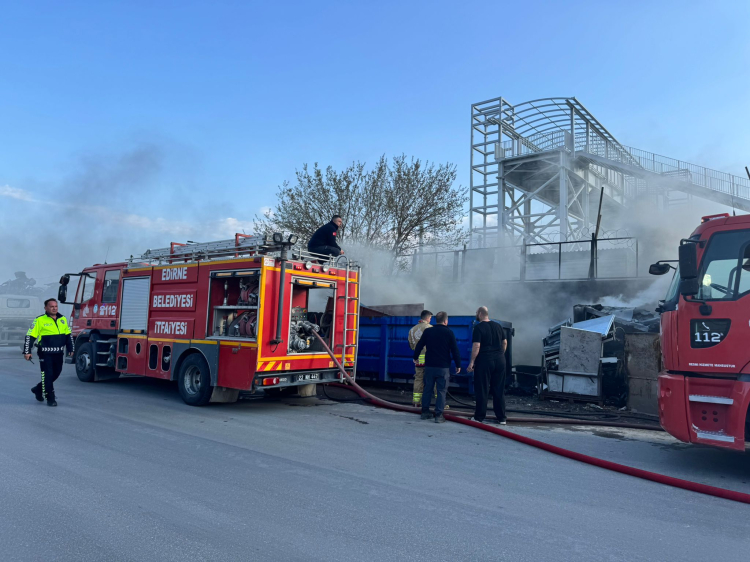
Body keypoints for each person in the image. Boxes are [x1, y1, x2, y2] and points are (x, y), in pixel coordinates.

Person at [23, 298, 74, 407]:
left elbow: (68, 335)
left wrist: (71, 349)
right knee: (48, 375)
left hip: (59, 353)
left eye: (56, 306)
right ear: (46, 308)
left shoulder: (63, 319)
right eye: (51, 306)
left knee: (56, 373)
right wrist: (27, 351)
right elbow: (30, 336)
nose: (54, 308)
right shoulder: (39, 320)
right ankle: (50, 398)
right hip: (45, 353)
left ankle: (38, 389)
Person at [412, 311, 461, 423]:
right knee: (441, 391)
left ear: (436, 320)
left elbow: (419, 345)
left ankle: (425, 412)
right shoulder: (449, 332)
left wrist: (415, 357)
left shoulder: (428, 331)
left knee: (427, 389)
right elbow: (455, 350)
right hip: (443, 367)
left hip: (429, 366)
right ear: (446, 321)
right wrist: (458, 365)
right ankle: (439, 415)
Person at [467, 306, 507, 424]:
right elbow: (504, 342)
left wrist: (472, 362)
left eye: (476, 313)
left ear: (480, 314)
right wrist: (500, 354)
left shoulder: (478, 327)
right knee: (499, 389)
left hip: (485, 361)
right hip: (500, 360)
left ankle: (479, 417)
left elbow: (476, 346)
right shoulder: (498, 326)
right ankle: (502, 418)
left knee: (482, 389)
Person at [408, 309, 432, 407]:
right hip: (430, 359)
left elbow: (411, 345)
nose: (430, 320)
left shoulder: (412, 330)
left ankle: (416, 402)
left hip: (418, 359)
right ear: (428, 317)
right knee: (434, 380)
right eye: (430, 318)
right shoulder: (430, 328)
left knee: (418, 380)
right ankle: (440, 403)